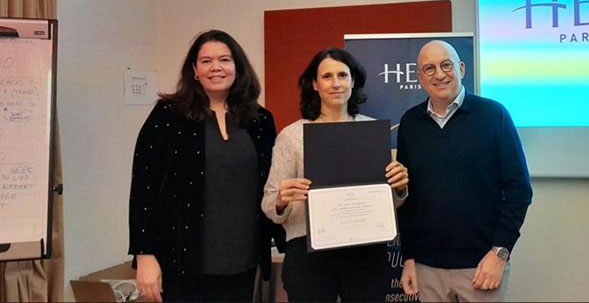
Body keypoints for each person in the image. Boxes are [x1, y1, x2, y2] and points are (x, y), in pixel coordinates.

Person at [128, 30, 280, 302]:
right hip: (181, 261)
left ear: (238, 67)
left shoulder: (260, 121)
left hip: (242, 260)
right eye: (206, 61)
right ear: (194, 70)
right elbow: (144, 188)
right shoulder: (168, 115)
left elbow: (272, 186)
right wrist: (144, 255)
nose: (216, 67)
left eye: (224, 59)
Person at [261, 47, 409, 302]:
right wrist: (282, 199)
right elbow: (269, 204)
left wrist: (398, 188)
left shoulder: (371, 132)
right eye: (327, 76)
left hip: (366, 252)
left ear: (353, 81)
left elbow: (392, 204)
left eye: (342, 75)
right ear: (315, 84)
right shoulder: (292, 136)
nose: (336, 83)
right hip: (309, 254)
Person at [397, 40, 533, 302]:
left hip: (482, 265)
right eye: (429, 68)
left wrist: (500, 252)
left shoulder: (493, 115)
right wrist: (409, 257)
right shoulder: (410, 123)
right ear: (419, 77)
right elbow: (408, 198)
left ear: (461, 68)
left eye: (446, 65)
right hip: (427, 267)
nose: (439, 74)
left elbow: (519, 190)